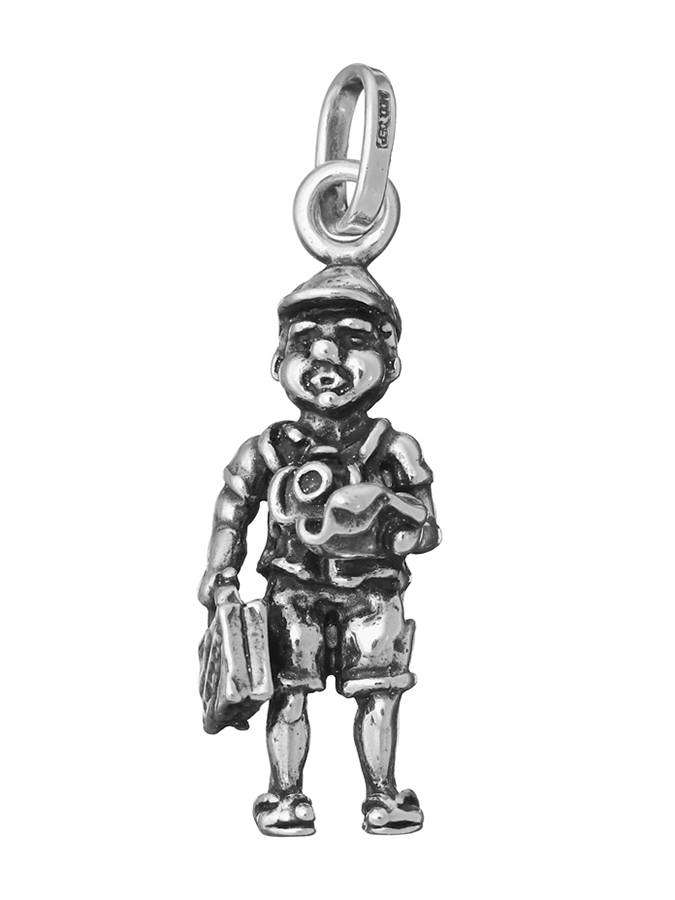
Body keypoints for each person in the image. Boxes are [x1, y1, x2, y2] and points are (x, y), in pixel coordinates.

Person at [199, 263, 440, 835]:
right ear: (278, 362)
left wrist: (387, 515)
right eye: (305, 342)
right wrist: (220, 572)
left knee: (380, 693)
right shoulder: (270, 448)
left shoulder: (393, 449)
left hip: (373, 594)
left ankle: (382, 795)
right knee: (287, 692)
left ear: (390, 360)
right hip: (293, 592)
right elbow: (234, 507)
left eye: (353, 339)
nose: (326, 356)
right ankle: (286, 794)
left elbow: (427, 528)